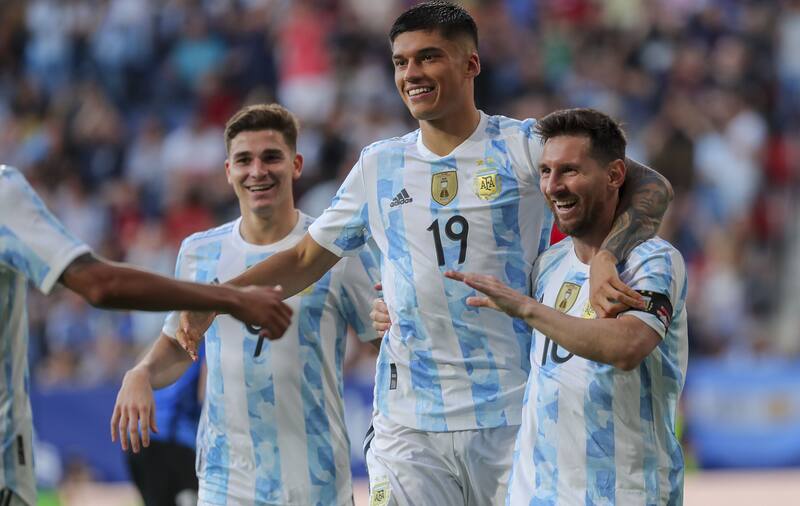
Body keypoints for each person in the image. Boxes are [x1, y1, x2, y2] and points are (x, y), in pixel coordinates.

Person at [178, 2, 672, 504]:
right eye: (401, 61)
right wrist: (220, 298)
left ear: (471, 64)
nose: (411, 73)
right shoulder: (380, 165)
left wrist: (609, 255)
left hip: (510, 415)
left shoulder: (522, 145)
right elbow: (306, 258)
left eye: (429, 57)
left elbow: (648, 183)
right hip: (408, 424)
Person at [111, 104, 381, 506]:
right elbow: (181, 343)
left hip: (317, 483)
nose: (258, 171)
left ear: (296, 164)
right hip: (226, 484)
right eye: (244, 160)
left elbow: (384, 341)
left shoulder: (334, 250)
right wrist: (142, 372)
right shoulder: (199, 253)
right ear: (227, 171)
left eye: (271, 157)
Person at [0, 164, 292, 506]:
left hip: (146, 444)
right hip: (171, 440)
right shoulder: (3, 191)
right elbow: (99, 284)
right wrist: (233, 299)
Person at [445, 108, 687, 504]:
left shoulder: (652, 260)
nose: (553, 187)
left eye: (570, 171)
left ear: (614, 175)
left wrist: (528, 309)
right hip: (538, 494)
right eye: (545, 172)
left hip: (626, 493)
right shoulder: (548, 264)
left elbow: (626, 347)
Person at [125, 344, 205, 506]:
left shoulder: (165, 338)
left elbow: (139, 367)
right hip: (174, 440)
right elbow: (205, 395)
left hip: (137, 438)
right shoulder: (209, 343)